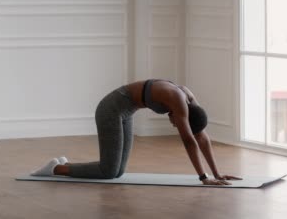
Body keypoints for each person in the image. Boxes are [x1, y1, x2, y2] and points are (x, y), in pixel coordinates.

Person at [30, 79, 242, 186]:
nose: (174, 125)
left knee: (118, 172)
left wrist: (217, 174)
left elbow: (200, 137)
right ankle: (56, 168)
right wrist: (203, 177)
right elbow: (189, 141)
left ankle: (64, 164)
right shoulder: (179, 101)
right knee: (108, 172)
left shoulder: (189, 99)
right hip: (110, 110)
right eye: (177, 124)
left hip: (126, 112)